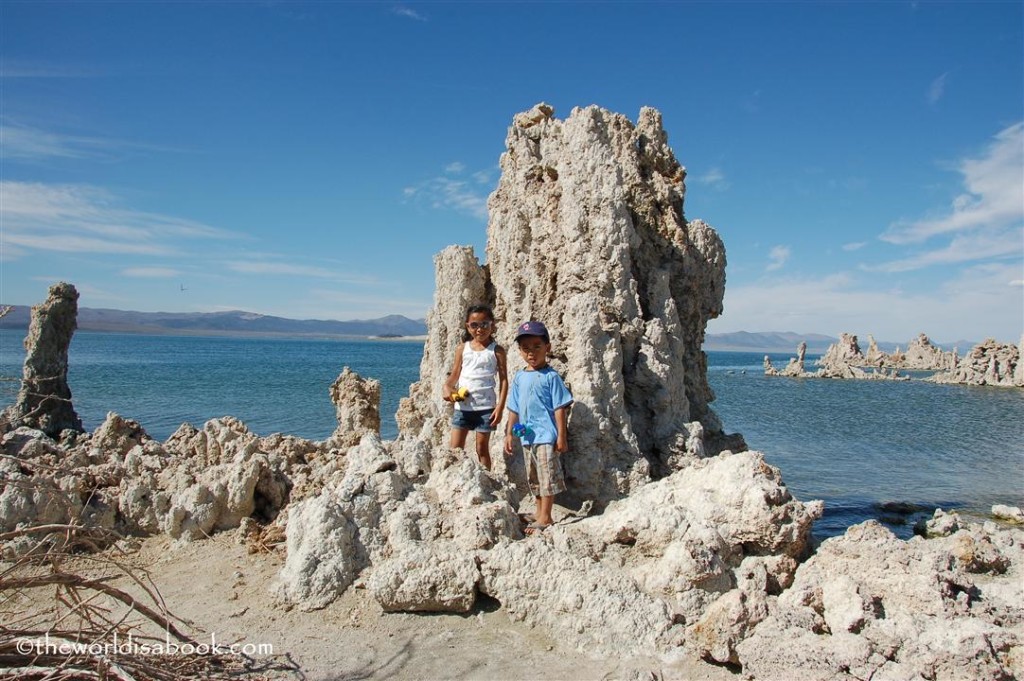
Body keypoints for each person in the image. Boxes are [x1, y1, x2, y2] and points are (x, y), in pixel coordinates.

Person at [503, 320, 573, 534]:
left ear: (547, 348)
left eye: (536, 347)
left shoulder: (551, 377)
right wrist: (508, 433)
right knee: (534, 477)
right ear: (519, 351)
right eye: (525, 348)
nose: (531, 353)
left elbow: (560, 408)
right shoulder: (519, 377)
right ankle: (538, 510)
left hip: (545, 436)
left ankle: (546, 516)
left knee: (547, 477)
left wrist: (562, 436)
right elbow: (513, 408)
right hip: (527, 437)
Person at [442, 305, 508, 470]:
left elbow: (504, 380)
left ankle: (488, 480)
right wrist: (447, 387)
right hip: (462, 407)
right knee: (455, 449)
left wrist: (499, 408)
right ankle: (455, 480)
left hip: (486, 409)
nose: (480, 329)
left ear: (492, 325)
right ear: (467, 326)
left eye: (485, 324)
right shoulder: (462, 349)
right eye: (474, 325)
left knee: (481, 449)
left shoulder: (497, 351)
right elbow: (454, 375)